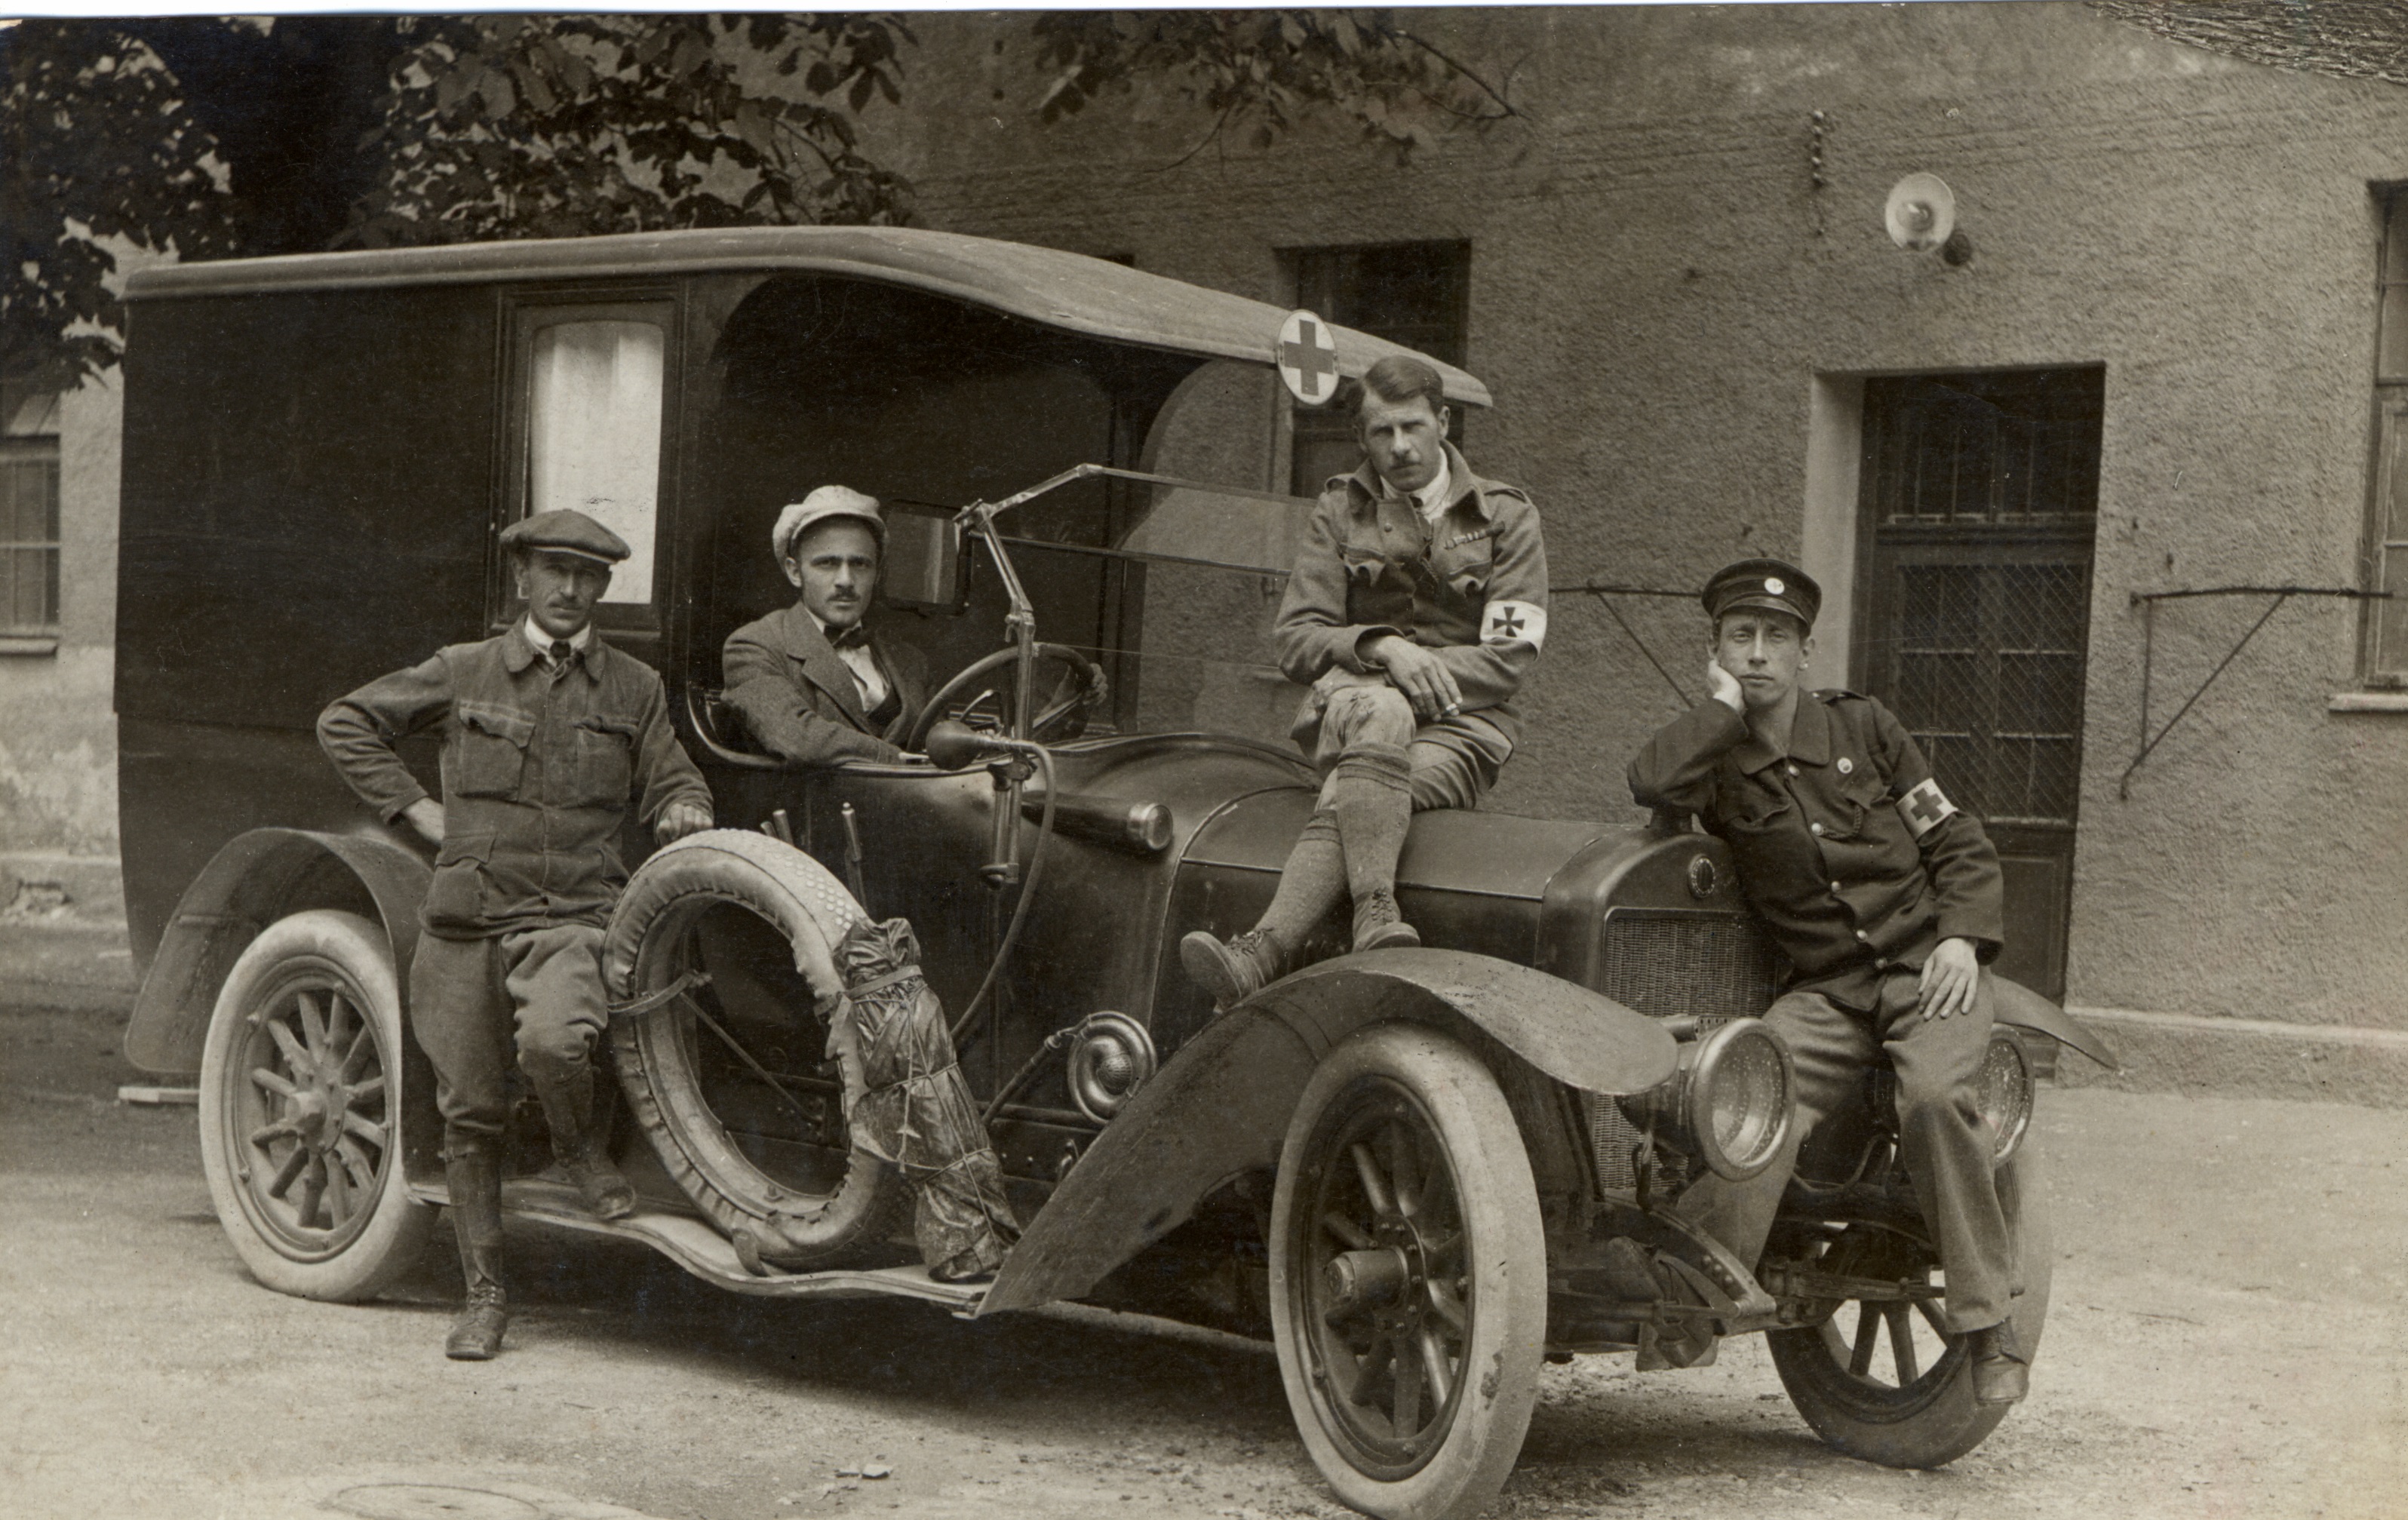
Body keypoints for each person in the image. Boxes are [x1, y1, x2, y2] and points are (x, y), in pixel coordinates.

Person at [1625, 557, 2027, 1405]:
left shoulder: (1865, 728)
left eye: (1777, 637)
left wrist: (1961, 937)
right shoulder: (1719, 762)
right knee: (1746, 1098)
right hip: (1828, 989)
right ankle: (1690, 1307)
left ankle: (1990, 1325)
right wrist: (1719, 710)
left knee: (1933, 1101)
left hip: (1927, 972)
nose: (1759, 653)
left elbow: (1953, 836)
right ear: (1718, 650)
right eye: (1741, 637)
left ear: (1806, 651)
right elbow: (1651, 782)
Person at [318, 508, 716, 1362]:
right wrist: (416, 809)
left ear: (604, 587)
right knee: (470, 1111)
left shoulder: (634, 689)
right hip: (465, 919)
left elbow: (674, 772)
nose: (571, 587)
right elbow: (345, 720)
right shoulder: (464, 671)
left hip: (572, 916)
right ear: (523, 580)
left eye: (588, 574)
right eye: (555, 570)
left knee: (555, 1040)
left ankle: (575, 1147)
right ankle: (486, 1295)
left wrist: (683, 805)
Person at [1181, 355, 1548, 1007]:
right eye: (1382, 433)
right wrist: (1382, 649)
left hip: (1466, 731)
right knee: (1380, 712)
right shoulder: (1339, 510)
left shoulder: (1507, 517)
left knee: (1357, 785)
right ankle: (1376, 913)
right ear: (1362, 438)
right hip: (1348, 708)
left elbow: (1508, 659)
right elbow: (1296, 639)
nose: (1400, 446)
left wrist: (1407, 677)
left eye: (1412, 427)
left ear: (1442, 422)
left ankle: (1259, 952)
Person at [722, 486, 929, 765]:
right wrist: (893, 758)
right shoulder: (754, 647)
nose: (845, 580)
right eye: (827, 564)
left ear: (877, 574)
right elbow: (799, 739)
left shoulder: (911, 660)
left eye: (860, 564)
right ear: (795, 572)